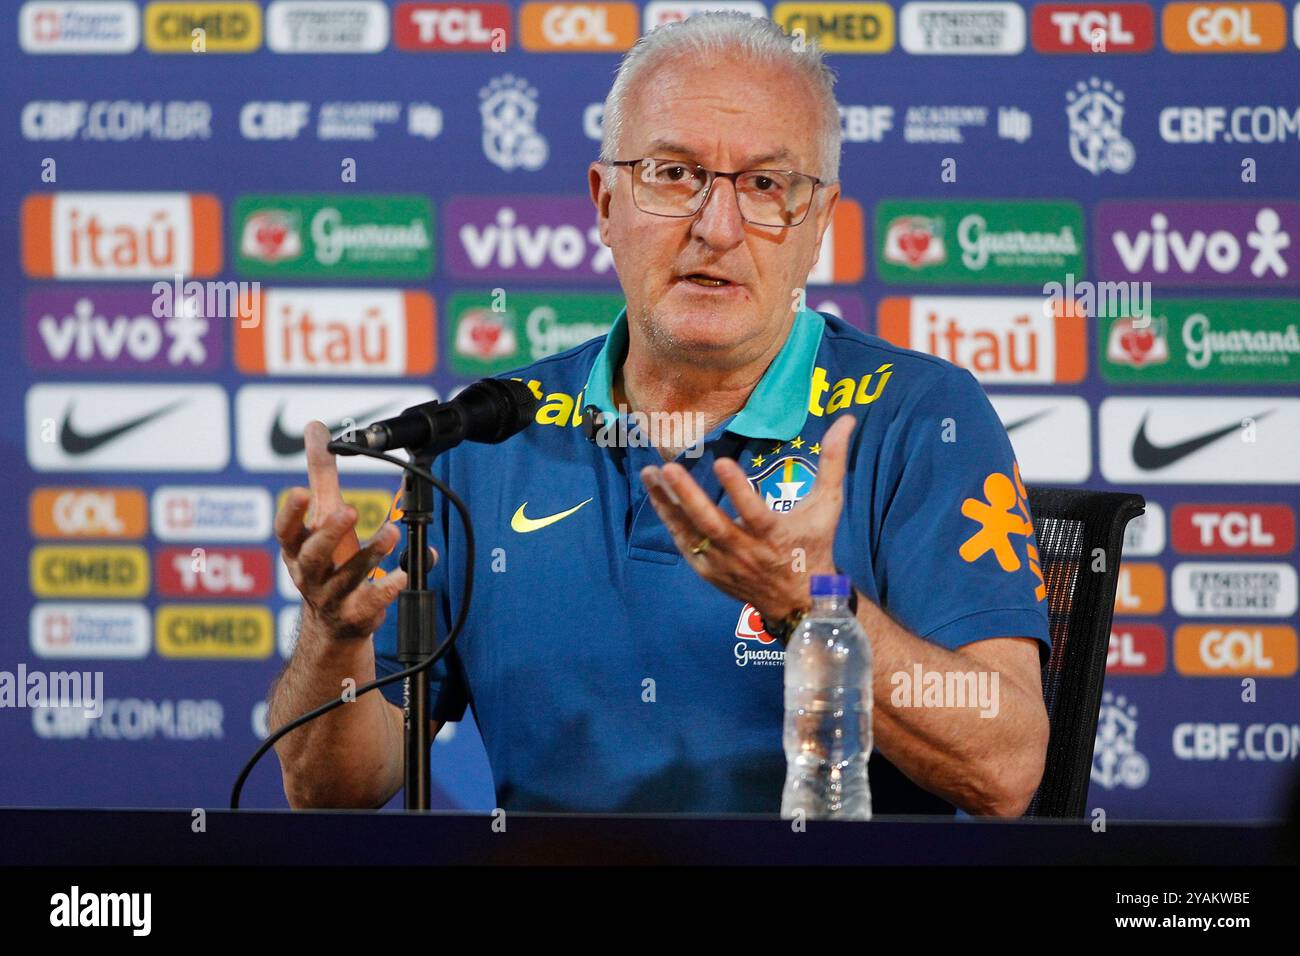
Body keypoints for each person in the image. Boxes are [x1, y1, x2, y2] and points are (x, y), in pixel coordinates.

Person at [268, 12, 1051, 815]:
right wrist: (335, 636)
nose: (716, 228)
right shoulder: (488, 437)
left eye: (766, 185)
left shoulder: (919, 417)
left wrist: (811, 608)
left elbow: (1006, 766)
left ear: (816, 225)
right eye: (674, 174)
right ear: (605, 201)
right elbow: (334, 792)